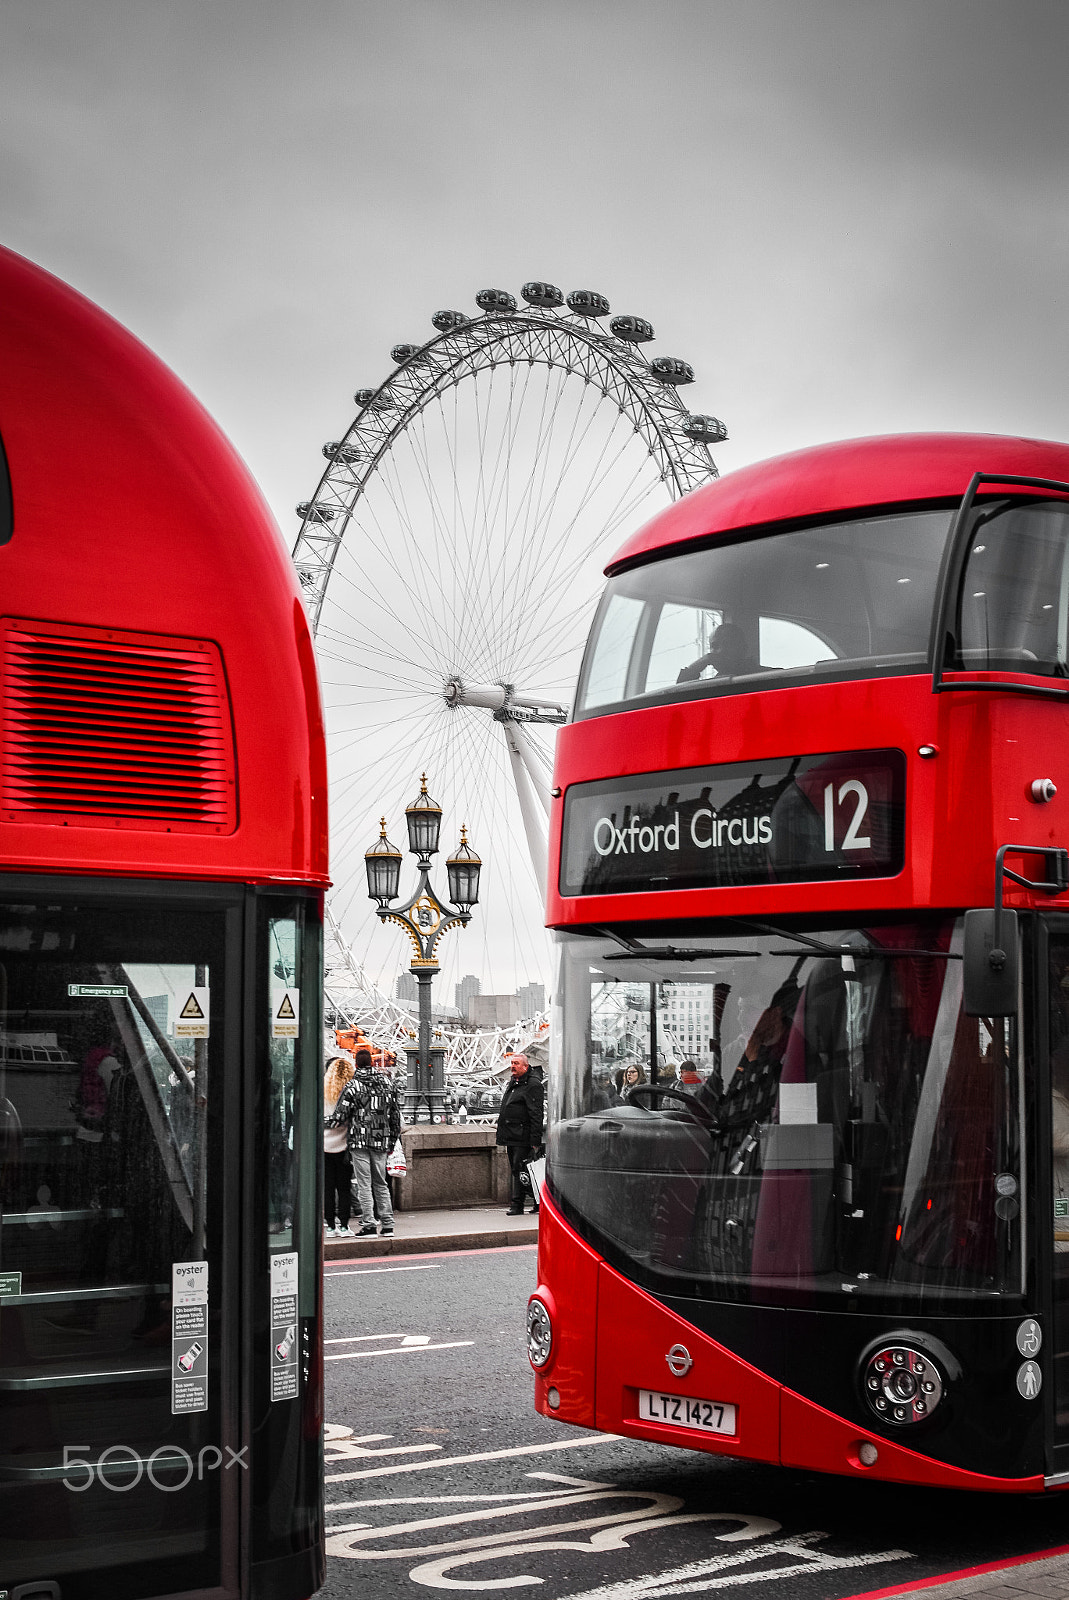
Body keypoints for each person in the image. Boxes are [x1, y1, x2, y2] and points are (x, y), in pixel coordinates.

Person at [327, 1047, 401, 1237]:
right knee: (381, 1183)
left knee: (364, 1183)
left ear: (357, 1064)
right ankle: (387, 1225)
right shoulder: (387, 1083)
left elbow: (339, 1117)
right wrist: (391, 1142)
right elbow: (395, 1116)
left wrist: (318, 1122)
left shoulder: (353, 1086)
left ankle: (369, 1224)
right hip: (381, 1140)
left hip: (359, 1141)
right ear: (373, 1062)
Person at [496, 1052, 544, 1216]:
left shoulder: (533, 1084)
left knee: (520, 1170)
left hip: (523, 1135)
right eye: (512, 1063)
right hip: (511, 1134)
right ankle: (539, 1202)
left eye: (516, 1063)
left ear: (525, 1066)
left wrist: (535, 1140)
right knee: (520, 1170)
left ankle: (517, 1205)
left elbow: (536, 1114)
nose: (512, 1066)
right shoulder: (515, 1081)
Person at [323, 1054, 355, 1238]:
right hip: (344, 1147)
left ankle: (329, 1226)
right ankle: (344, 1226)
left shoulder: (322, 1092)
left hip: (324, 1146)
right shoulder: (350, 1093)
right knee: (344, 1189)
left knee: (327, 1188)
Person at [676, 621, 761, 684]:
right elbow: (679, 697)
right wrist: (694, 668)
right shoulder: (715, 683)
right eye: (715, 646)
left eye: (728, 644)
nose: (721, 650)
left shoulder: (766, 677)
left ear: (743, 648)